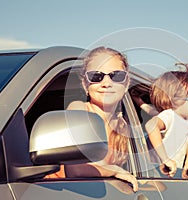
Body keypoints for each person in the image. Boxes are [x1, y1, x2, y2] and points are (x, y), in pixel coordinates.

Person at [45, 46, 138, 192]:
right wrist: (113, 171)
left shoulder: (123, 127)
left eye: (116, 76)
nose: (106, 83)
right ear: (85, 84)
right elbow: (75, 170)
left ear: (126, 84)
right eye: (96, 76)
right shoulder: (79, 109)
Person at [145, 65, 188, 179]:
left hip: (172, 176)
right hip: (156, 174)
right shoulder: (170, 115)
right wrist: (165, 159)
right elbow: (151, 126)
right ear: (177, 100)